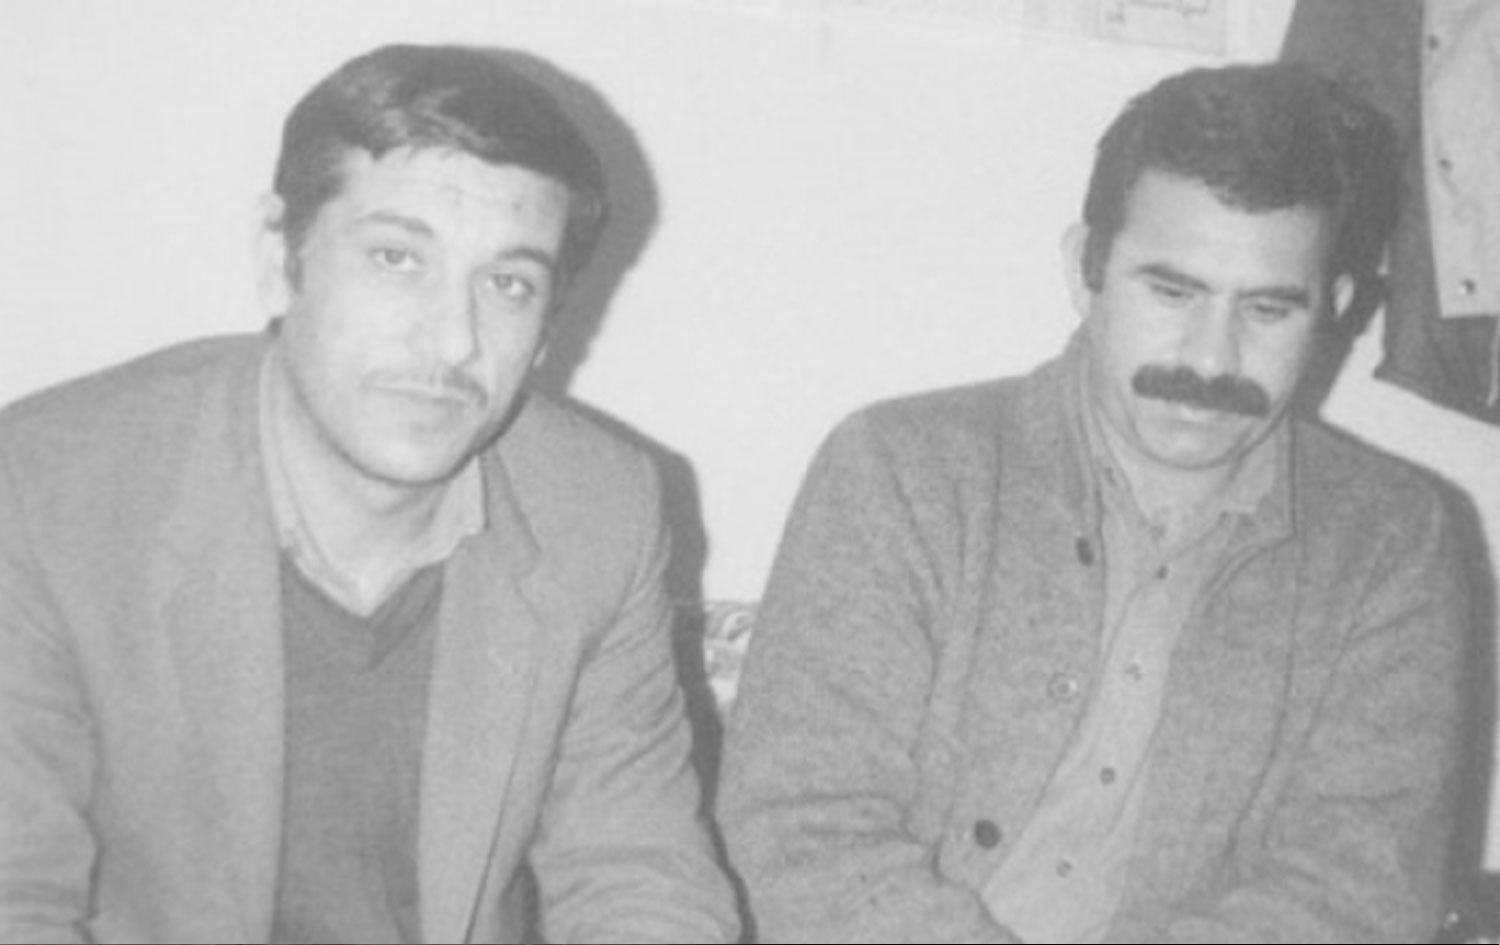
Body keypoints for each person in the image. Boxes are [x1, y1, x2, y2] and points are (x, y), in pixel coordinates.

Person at [0, 43, 738, 944]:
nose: (453, 339)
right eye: (396, 258)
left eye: (508, 284)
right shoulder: (47, 489)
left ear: (546, 332)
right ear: (279, 256)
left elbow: (640, 878)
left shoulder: (600, 510)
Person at [719, 62, 1471, 943]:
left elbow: (1359, 889)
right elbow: (796, 829)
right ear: (1086, 269)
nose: (1210, 357)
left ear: (1335, 310)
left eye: (1268, 310)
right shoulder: (901, 471)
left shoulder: (1393, 542)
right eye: (1173, 291)